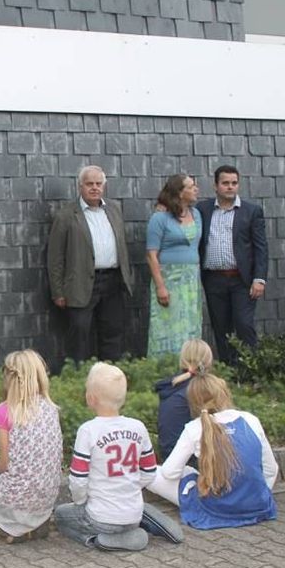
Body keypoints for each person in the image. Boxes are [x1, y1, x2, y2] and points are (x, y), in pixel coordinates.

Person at [55, 363, 183, 551]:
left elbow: (78, 481)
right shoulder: (138, 427)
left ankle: (99, 540)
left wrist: (81, 501)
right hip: (133, 514)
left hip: (101, 518)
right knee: (129, 510)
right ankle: (144, 518)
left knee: (60, 516)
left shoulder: (88, 431)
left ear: (91, 398)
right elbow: (149, 473)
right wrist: (128, 488)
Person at [147, 371, 278, 529]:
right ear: (224, 393)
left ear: (193, 401)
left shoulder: (194, 428)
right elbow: (271, 469)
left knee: (151, 473)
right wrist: (258, 496)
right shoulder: (250, 420)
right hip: (258, 506)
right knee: (189, 472)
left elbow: (169, 473)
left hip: (214, 509)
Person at [0, 350, 63, 543]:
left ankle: (13, 524)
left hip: (17, 495)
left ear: (9, 377)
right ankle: (35, 523)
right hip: (47, 495)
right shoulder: (51, 408)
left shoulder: (4, 411)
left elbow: (5, 464)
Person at [47, 165, 133, 364]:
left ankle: (111, 379)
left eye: (98, 184)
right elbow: (55, 257)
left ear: (104, 186)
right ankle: (78, 381)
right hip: (80, 285)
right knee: (79, 337)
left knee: (112, 334)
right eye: (89, 184)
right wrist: (58, 291)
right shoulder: (66, 215)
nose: (94, 188)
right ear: (80, 187)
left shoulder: (114, 209)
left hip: (112, 281)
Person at [198, 165, 268, 365]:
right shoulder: (202, 210)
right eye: (225, 183)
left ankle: (252, 370)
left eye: (234, 183)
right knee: (221, 328)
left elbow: (261, 247)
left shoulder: (251, 211)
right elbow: (180, 212)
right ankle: (230, 372)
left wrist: (259, 278)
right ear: (216, 186)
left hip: (242, 280)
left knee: (244, 324)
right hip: (213, 280)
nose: (230, 187)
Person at [146, 175, 203, 357]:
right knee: (166, 327)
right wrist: (160, 286)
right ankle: (165, 371)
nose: (196, 189)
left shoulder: (197, 215)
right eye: (191, 186)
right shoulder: (160, 218)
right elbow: (151, 254)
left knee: (190, 325)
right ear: (179, 192)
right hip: (169, 279)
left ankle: (190, 367)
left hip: (191, 280)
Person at [154, 339, 213, 461]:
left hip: (171, 462)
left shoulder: (172, 390)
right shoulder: (203, 392)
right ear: (209, 362)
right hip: (193, 466)